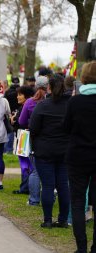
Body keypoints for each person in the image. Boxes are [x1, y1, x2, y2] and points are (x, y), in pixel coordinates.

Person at [63, 61, 96, 253]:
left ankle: (81, 247)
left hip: (77, 156)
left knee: (77, 202)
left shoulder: (75, 102)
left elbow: (66, 127)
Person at [30, 74, 71, 228]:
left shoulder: (42, 105)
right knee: (63, 186)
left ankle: (47, 220)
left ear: (49, 88)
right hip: (65, 150)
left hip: (45, 150)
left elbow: (33, 128)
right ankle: (62, 219)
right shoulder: (70, 105)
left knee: (47, 185)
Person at [19, 76, 48, 206]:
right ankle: (49, 197)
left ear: (36, 86)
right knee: (50, 170)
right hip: (51, 138)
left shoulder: (30, 102)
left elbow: (21, 121)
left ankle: (34, 199)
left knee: (34, 170)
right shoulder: (52, 101)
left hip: (33, 138)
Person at [11, 86, 35, 194]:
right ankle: (25, 186)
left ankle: (25, 187)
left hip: (24, 137)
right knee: (27, 163)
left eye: (20, 94)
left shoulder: (26, 106)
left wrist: (13, 120)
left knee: (25, 164)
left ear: (27, 95)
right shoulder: (29, 105)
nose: (18, 97)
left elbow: (21, 122)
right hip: (26, 136)